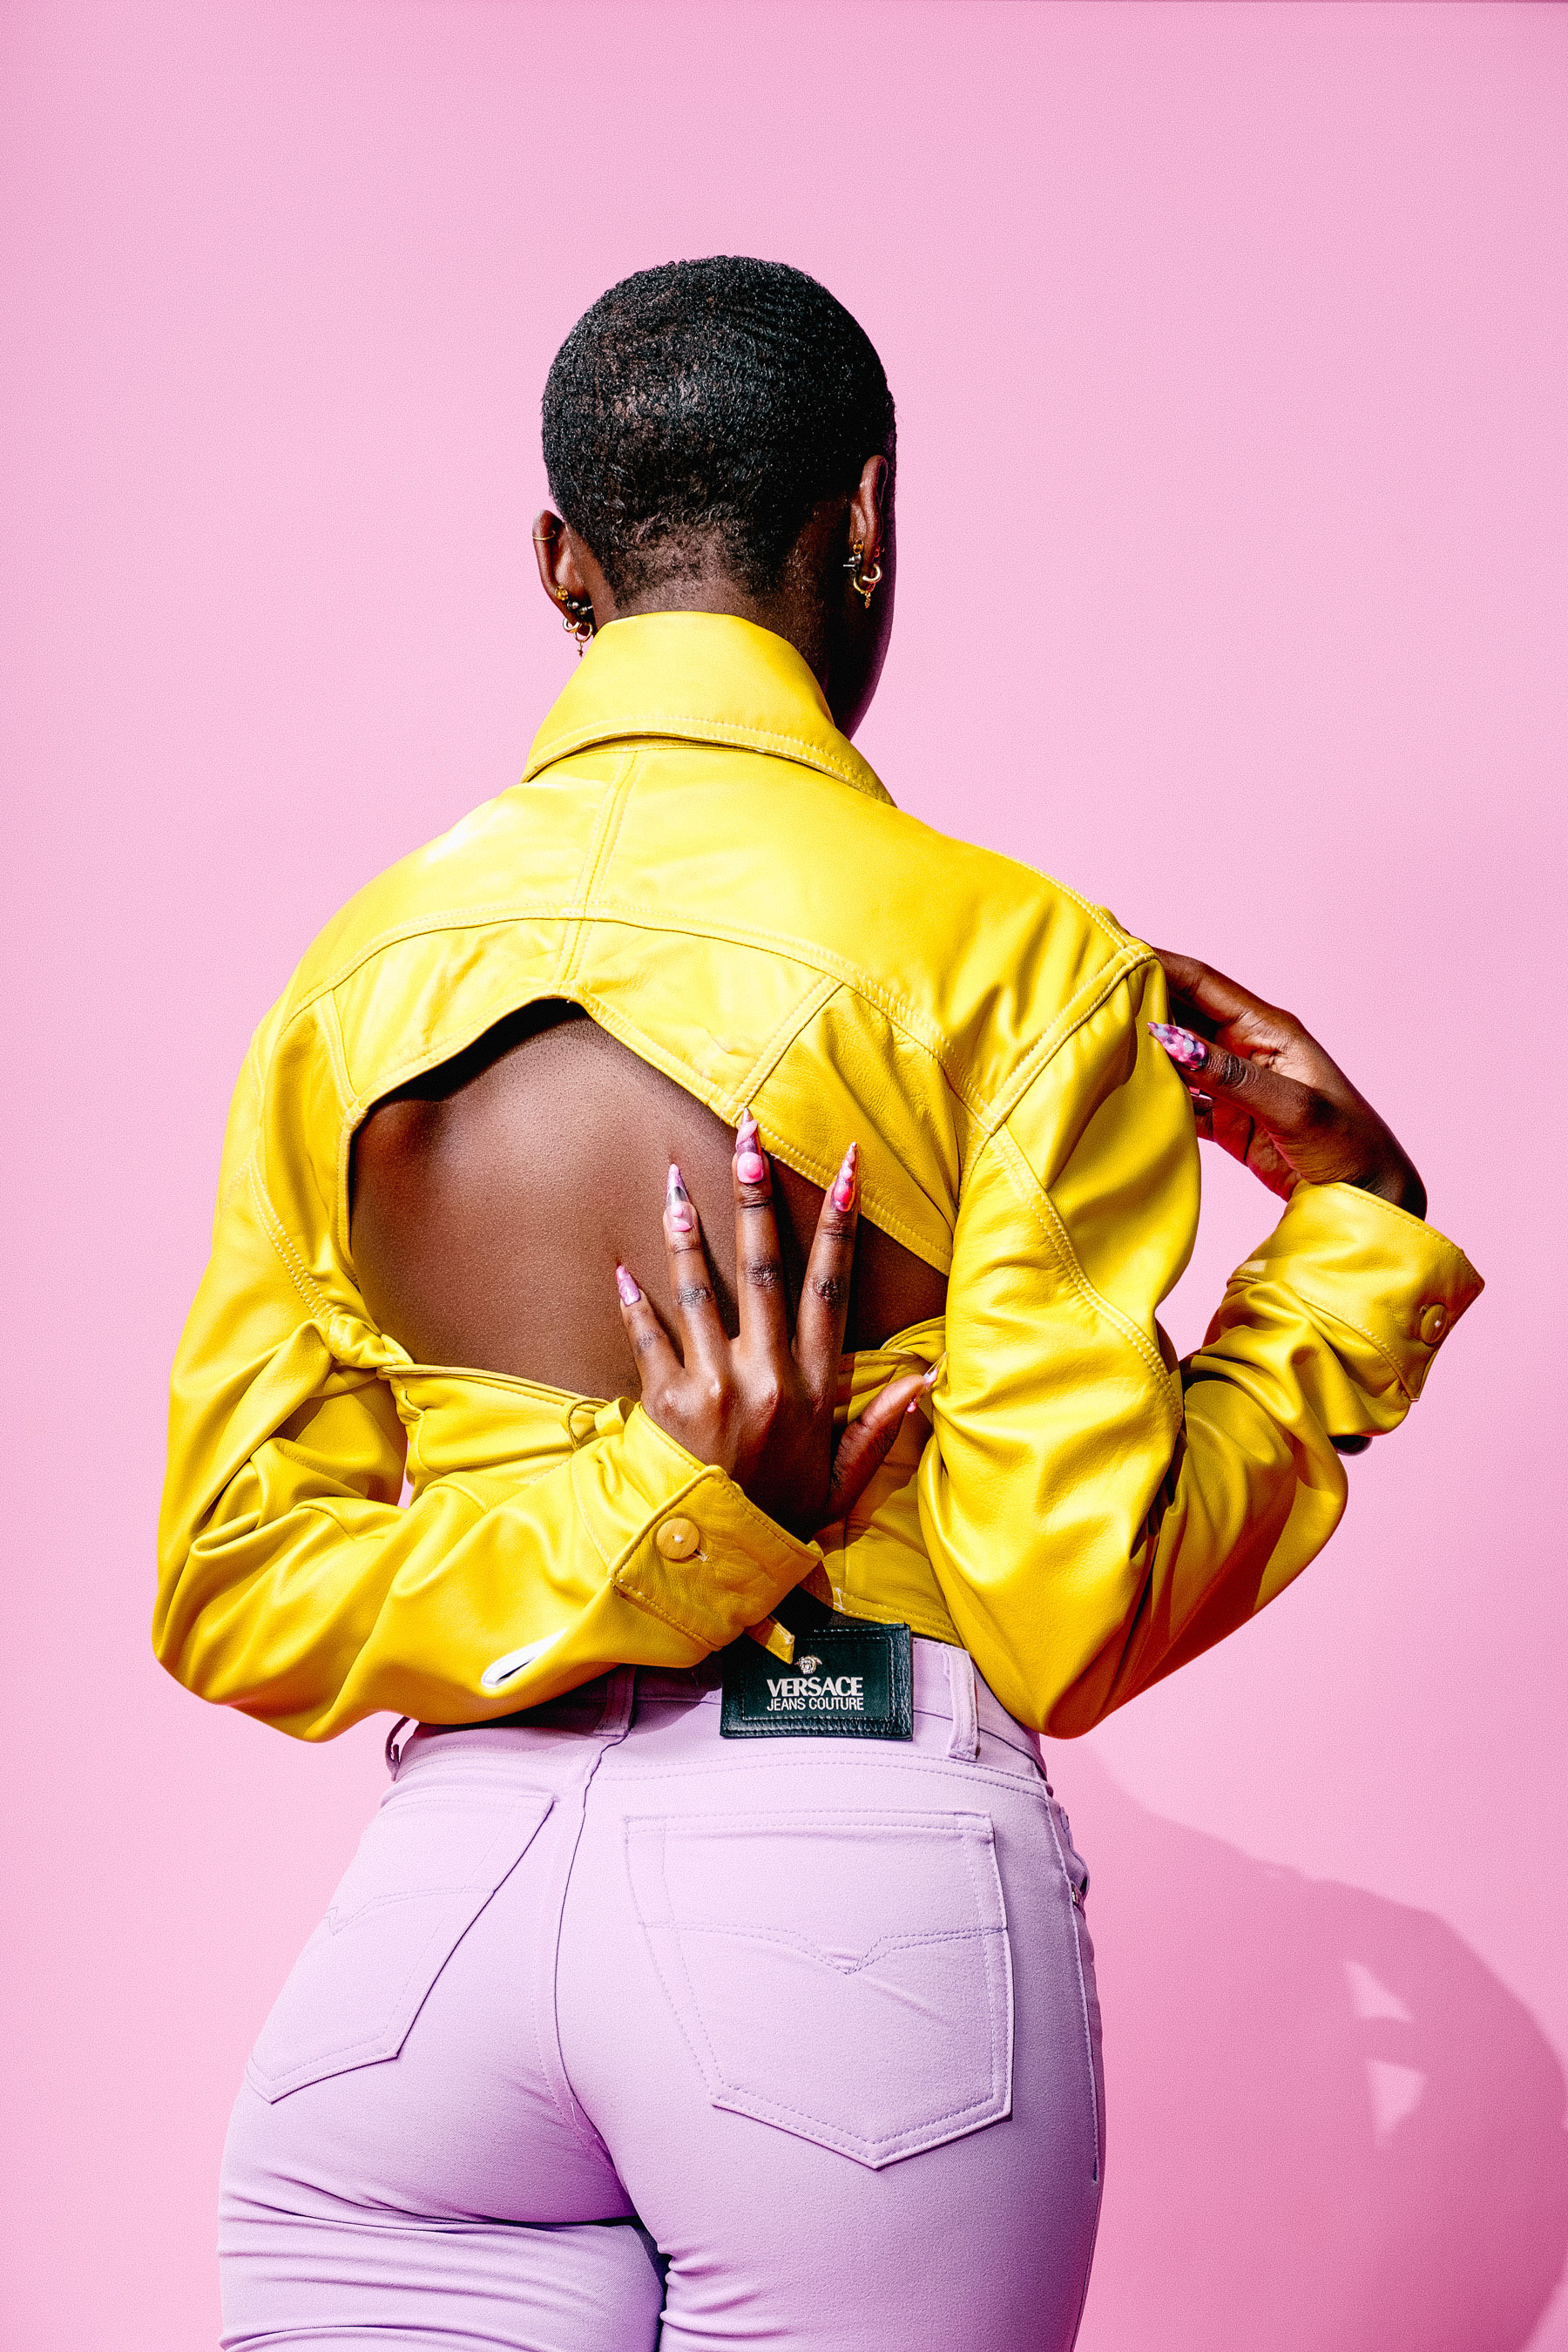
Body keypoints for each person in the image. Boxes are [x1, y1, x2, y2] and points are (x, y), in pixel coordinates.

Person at [156, 258, 1482, 2352]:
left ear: (562, 563)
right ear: (865, 517)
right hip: (845, 1912)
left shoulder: (347, 977)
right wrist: (1354, 1242)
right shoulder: (1011, 956)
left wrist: (630, 1515)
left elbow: (229, 1578)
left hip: (429, 1947)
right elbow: (1074, 1612)